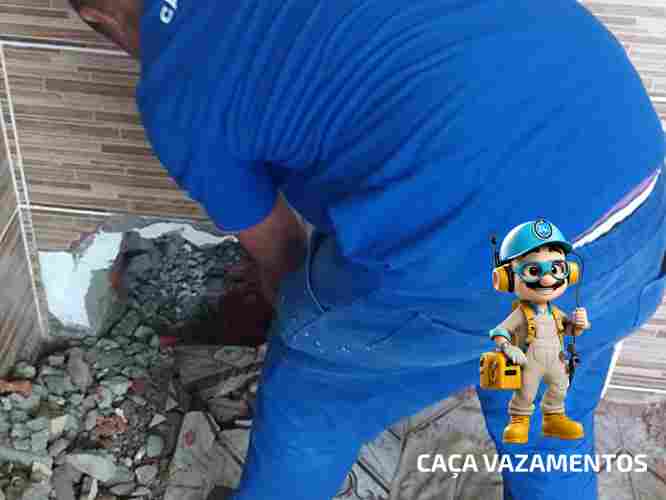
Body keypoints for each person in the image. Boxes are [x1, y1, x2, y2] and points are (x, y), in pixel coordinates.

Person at [68, 1, 666, 499]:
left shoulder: (177, 83)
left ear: (100, 16)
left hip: (474, 261)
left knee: (309, 393)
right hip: (640, 204)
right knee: (544, 407)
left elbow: (280, 253)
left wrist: (303, 314)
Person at [488, 220, 591, 444]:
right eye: (533, 271)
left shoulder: (556, 313)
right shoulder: (521, 313)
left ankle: (554, 418)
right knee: (526, 392)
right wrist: (507, 347)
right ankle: (519, 421)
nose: (547, 279)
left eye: (556, 269)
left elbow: (570, 330)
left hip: (556, 359)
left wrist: (578, 324)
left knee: (560, 387)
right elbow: (500, 331)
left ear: (570, 273)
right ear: (506, 278)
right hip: (530, 361)